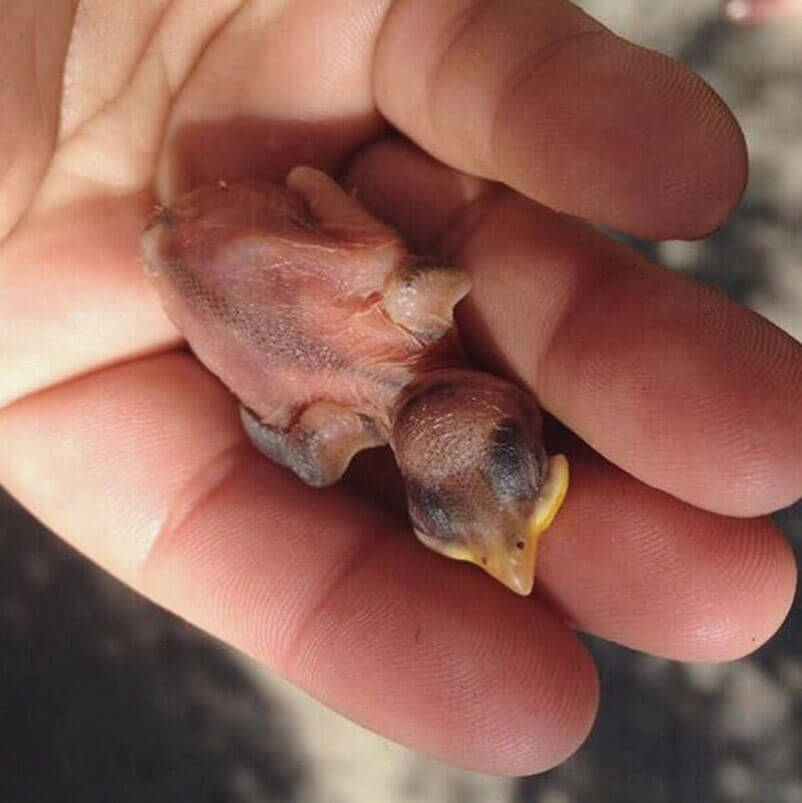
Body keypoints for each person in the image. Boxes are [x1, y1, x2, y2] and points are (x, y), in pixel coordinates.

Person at [1, 0, 800, 777]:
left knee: (368, 278)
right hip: (191, 248)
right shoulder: (341, 429)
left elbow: (424, 283)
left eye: (455, 521)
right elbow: (296, 449)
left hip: (218, 228)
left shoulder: (417, 317)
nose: (513, 559)